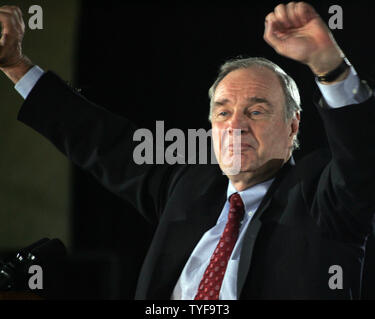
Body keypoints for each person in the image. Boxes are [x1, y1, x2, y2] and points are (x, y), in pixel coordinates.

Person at [0, 2, 374, 299]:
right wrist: (17, 65)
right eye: (223, 111)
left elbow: (360, 158)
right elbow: (102, 141)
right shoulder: (188, 187)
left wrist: (330, 68)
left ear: (292, 127)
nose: (236, 124)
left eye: (256, 111)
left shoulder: (324, 199)